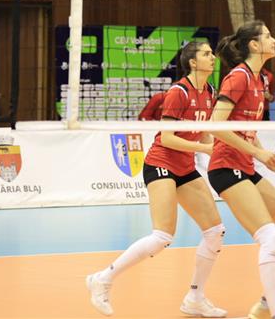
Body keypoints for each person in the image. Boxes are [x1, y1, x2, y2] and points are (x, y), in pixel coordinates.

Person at [86, 41, 226, 318]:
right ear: (193, 62)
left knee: (215, 231)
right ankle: (103, 279)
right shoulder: (178, 92)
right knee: (162, 236)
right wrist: (205, 149)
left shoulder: (210, 92)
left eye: (212, 53)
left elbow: (204, 131)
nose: (213, 58)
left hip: (184, 167)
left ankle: (195, 298)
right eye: (206, 54)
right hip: (160, 163)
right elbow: (169, 138)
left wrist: (216, 148)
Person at [206, 21, 275, 319]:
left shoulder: (260, 79)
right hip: (225, 166)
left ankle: (264, 304)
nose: (274, 40)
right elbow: (214, 126)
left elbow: (246, 128)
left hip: (245, 165)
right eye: (268, 36)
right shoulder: (238, 77)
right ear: (253, 44)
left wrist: (263, 156)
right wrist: (257, 153)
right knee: (271, 238)